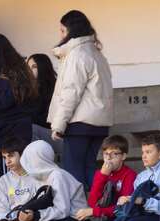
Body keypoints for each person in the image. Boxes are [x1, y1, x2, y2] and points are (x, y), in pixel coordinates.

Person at [47, 10, 113, 190]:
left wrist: (59, 125)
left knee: (73, 171)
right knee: (89, 168)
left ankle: (81, 214)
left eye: (62, 30)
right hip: (99, 123)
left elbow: (71, 93)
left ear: (70, 30)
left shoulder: (77, 55)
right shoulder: (97, 54)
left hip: (79, 123)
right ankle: (100, 208)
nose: (60, 35)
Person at [0, 34, 38, 170]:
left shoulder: (8, 77)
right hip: (2, 140)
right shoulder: (12, 74)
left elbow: (0, 102)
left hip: (6, 142)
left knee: (7, 183)